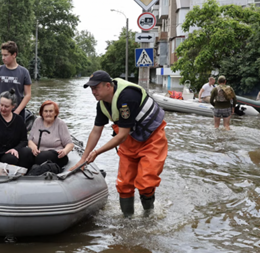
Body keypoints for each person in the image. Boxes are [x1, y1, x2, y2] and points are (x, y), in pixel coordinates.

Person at [71, 71, 168, 217]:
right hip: (129, 142)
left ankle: (148, 216)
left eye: (96, 88)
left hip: (152, 139)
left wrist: (96, 153)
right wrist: (83, 158)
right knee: (123, 184)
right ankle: (127, 221)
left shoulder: (127, 97)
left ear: (108, 85)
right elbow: (96, 131)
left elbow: (121, 135)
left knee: (146, 182)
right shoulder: (102, 105)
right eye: (91, 89)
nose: (93, 92)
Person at [0, 41, 32, 120]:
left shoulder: (24, 72)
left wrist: (17, 111)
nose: (3, 58)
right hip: (0, 111)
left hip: (17, 112)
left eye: (6, 55)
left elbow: (28, 95)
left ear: (14, 55)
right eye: (2, 55)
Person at [28, 100, 74, 169]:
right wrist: (33, 147)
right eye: (46, 111)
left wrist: (64, 151)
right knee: (24, 153)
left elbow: (70, 144)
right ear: (42, 113)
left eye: (51, 111)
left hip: (55, 154)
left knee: (41, 157)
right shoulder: (37, 121)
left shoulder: (60, 124)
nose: (48, 114)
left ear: (55, 113)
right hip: (38, 153)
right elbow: (30, 140)